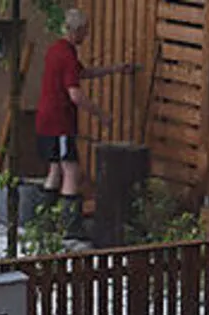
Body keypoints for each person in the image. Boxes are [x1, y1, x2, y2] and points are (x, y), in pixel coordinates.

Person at [34, 8, 134, 242]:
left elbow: (83, 73)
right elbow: (75, 94)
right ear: (76, 30)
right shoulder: (67, 55)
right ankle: (70, 227)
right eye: (85, 31)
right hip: (60, 122)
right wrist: (101, 115)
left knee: (55, 170)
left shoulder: (56, 50)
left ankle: (44, 223)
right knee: (71, 171)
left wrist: (114, 69)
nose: (86, 36)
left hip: (45, 121)